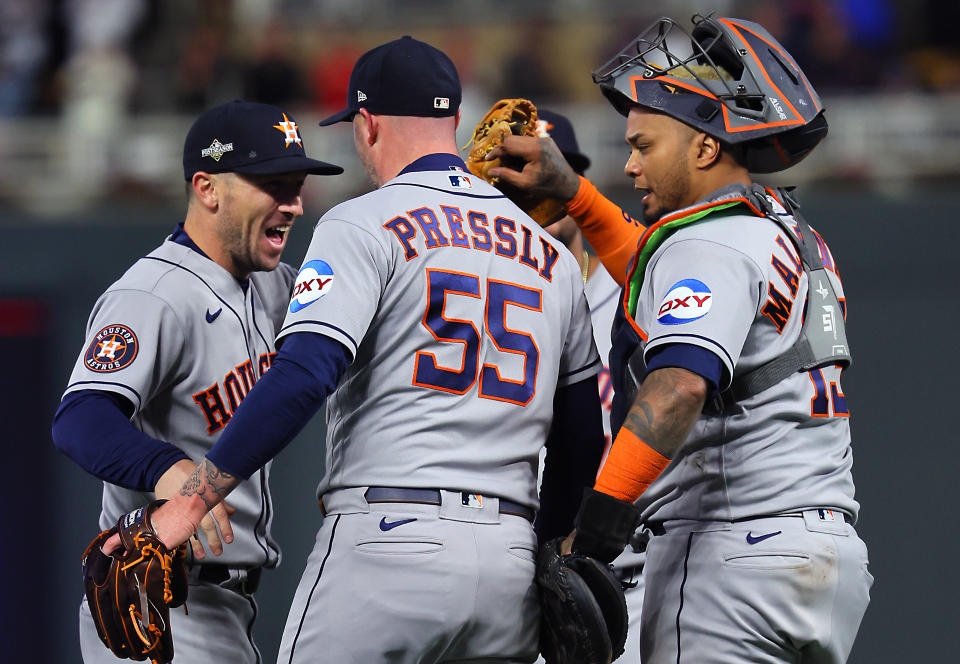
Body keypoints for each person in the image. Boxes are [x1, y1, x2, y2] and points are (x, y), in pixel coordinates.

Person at [113, 36, 606, 663]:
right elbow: (582, 435)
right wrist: (551, 547)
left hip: (388, 542)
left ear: (366, 126)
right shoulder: (555, 259)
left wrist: (192, 502)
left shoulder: (361, 221)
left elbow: (302, 375)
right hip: (509, 561)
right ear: (454, 122)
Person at [487, 15, 872, 664]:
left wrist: (592, 533)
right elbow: (660, 277)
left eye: (644, 145)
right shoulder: (777, 228)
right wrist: (576, 195)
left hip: (732, 557)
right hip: (821, 557)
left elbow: (678, 388)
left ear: (703, 148)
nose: (631, 165)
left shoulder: (707, 243)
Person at [52, 100, 343, 663]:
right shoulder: (153, 293)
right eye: (273, 185)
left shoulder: (275, 286)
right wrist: (169, 469)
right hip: (156, 592)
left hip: (226, 608)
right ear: (208, 189)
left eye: (297, 185)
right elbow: (79, 419)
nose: (294, 204)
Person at [534, 108, 647, 664]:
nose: (539, 199)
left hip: (631, 582)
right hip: (520, 583)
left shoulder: (639, 290)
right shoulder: (477, 293)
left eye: (552, 177)